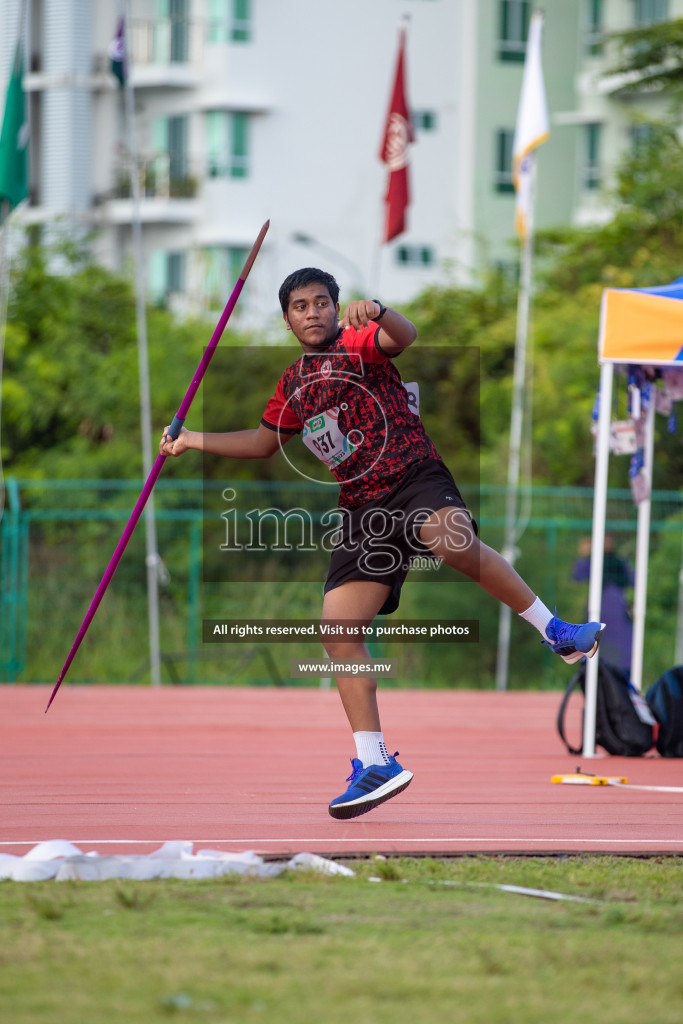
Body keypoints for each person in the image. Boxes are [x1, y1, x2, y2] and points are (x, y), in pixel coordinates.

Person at [160, 267, 605, 820]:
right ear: (287, 319)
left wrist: (378, 308)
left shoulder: (359, 341)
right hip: (362, 508)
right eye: (301, 306)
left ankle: (555, 630)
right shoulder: (294, 382)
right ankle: (374, 763)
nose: (313, 312)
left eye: (322, 302)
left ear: (336, 305)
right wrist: (190, 440)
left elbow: (405, 337)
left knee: (451, 539)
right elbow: (261, 443)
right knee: (337, 630)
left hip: (413, 477)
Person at [573, 534, 634, 672]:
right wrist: (583, 556)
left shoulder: (619, 563)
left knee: (622, 656)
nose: (607, 543)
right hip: (597, 614)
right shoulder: (590, 562)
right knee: (594, 654)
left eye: (609, 539)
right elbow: (575, 579)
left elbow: (634, 580)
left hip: (618, 616)